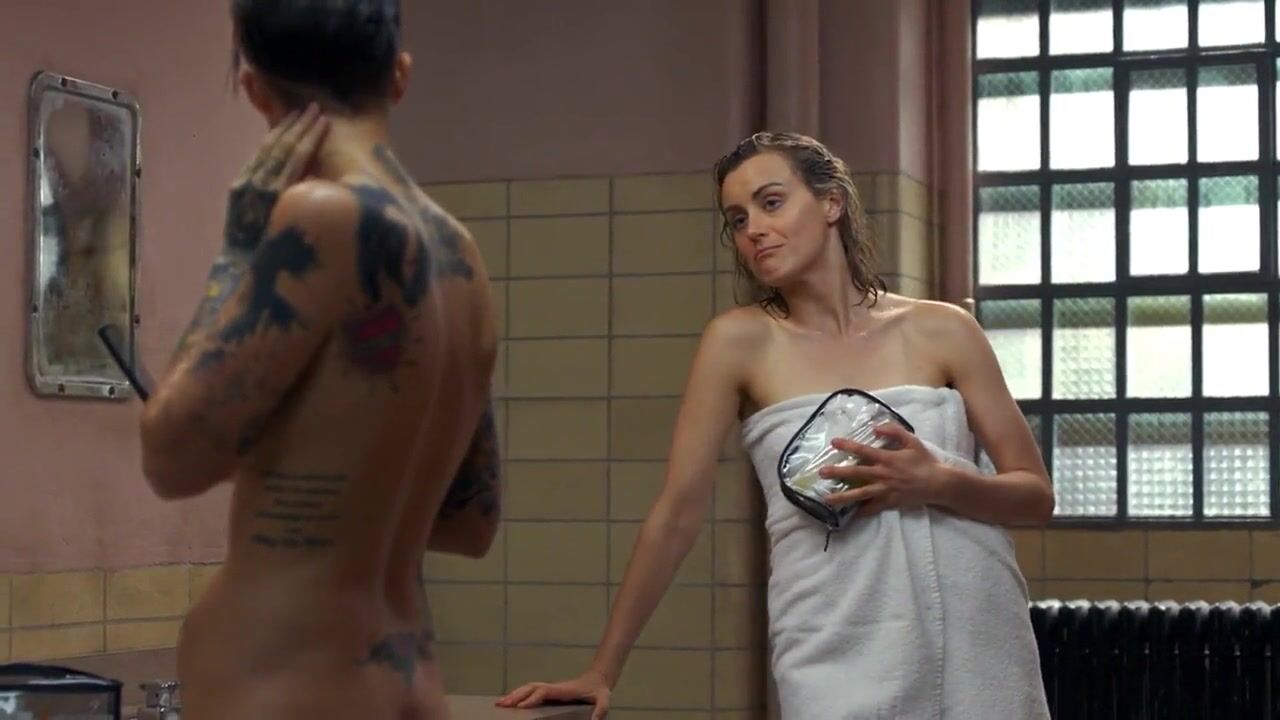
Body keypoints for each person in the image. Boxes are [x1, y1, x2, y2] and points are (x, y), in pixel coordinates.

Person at [498, 132, 1054, 719]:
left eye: (771, 203)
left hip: (974, 635)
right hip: (833, 637)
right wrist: (600, 671)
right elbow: (677, 514)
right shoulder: (739, 342)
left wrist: (938, 482)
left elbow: (1035, 496)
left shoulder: (945, 330)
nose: (754, 230)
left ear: (831, 202)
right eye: (738, 219)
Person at [138, 1, 500, 718]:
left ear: (255, 90)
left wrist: (241, 244)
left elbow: (171, 458)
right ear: (399, 76)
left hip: (290, 686)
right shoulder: (461, 255)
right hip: (405, 679)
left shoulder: (316, 215)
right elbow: (471, 521)